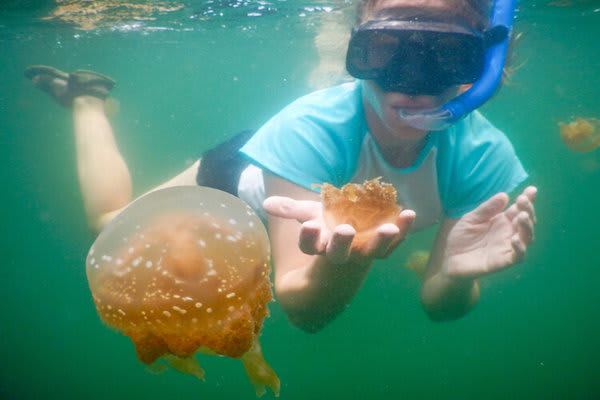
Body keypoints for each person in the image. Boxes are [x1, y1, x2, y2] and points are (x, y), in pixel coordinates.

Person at [25, 0, 537, 333]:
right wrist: (354, 258)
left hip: (319, 152)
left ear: (487, 64)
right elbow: (300, 306)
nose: (412, 84)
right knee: (106, 226)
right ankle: (86, 103)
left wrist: (455, 278)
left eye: (447, 55)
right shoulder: (305, 130)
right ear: (354, 46)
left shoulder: (483, 159)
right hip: (241, 178)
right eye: (385, 50)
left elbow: (436, 304)